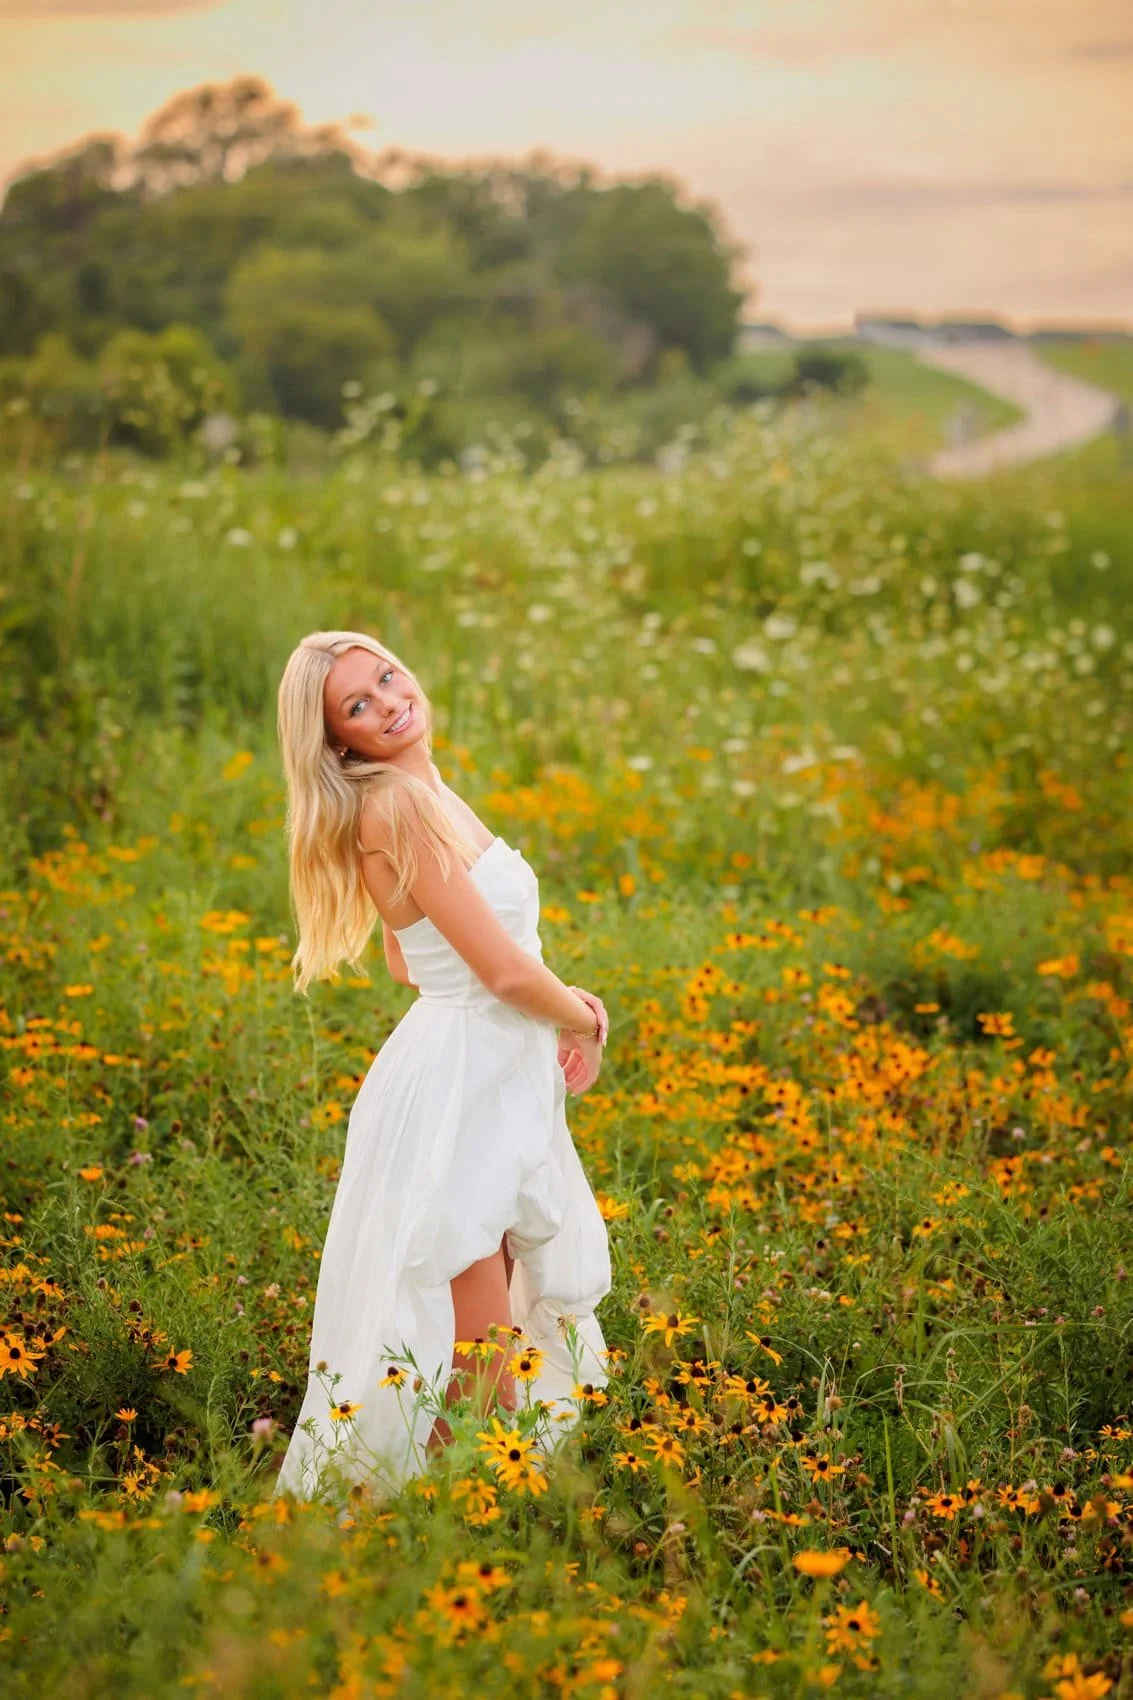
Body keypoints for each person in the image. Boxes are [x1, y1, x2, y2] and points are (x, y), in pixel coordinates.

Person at [271, 629, 613, 1507]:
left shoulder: (422, 790)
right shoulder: (399, 805)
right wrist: (583, 1017)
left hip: (484, 1056)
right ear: (339, 741)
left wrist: (534, 1001)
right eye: (358, 705)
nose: (388, 701)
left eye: (385, 678)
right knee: (472, 1318)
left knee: (485, 1293)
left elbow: (407, 958)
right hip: (464, 1073)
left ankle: (462, 1498)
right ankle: (474, 1507)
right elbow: (497, 970)